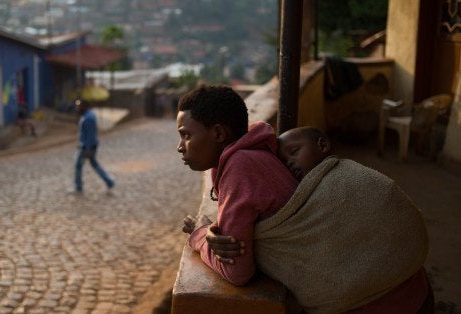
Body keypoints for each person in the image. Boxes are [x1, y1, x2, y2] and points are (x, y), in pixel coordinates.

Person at [207, 126, 432, 313]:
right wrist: (217, 229)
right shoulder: (300, 204)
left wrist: (203, 235)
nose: (290, 164)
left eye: (294, 151)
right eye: (284, 163)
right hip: (418, 298)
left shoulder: (351, 178)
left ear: (322, 146)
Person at [177, 84, 298, 285]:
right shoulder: (251, 154)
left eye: (186, 135)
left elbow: (236, 272)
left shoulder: (240, 166)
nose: (180, 147)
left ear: (218, 134)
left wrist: (199, 234)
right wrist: (213, 231)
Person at [71, 99, 115, 194]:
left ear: (84, 106)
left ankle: (78, 187)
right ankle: (109, 182)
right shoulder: (88, 115)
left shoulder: (88, 118)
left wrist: (87, 149)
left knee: (78, 166)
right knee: (94, 164)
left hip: (87, 146)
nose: (78, 108)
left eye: (79, 106)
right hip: (89, 145)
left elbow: (90, 135)